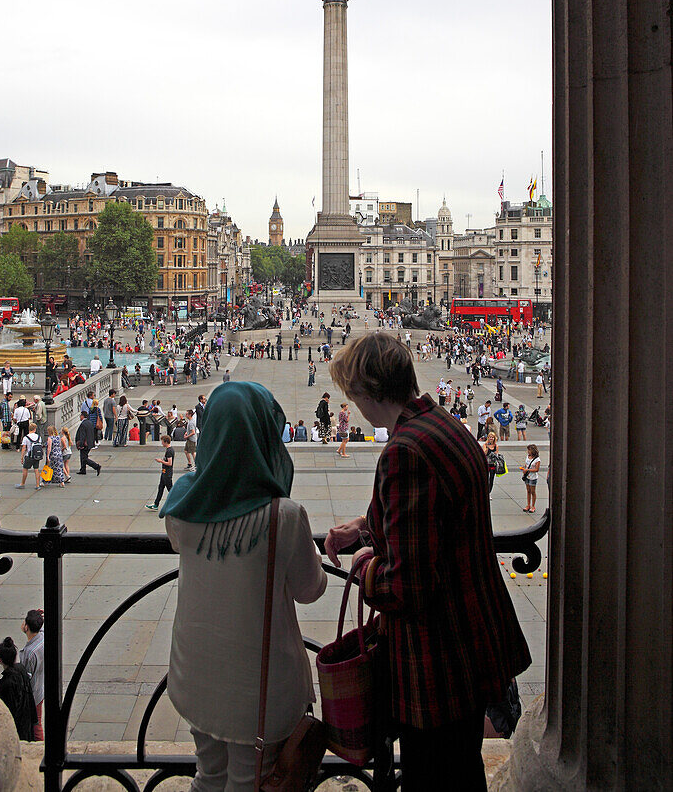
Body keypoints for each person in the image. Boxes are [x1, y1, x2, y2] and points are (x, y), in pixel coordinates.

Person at [326, 332, 531, 792]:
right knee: (461, 768)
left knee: (435, 776)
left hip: (438, 657)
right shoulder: (444, 424)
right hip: (477, 636)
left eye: (352, 392)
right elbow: (435, 511)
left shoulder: (403, 453)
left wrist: (365, 565)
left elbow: (408, 586)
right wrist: (365, 525)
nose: (352, 402)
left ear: (369, 390)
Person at [161, 381, 326, 790]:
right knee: (248, 780)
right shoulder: (284, 517)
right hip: (260, 687)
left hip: (194, 672)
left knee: (208, 773)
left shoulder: (182, 503)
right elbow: (311, 589)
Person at [0, 637, 36, 741]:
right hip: (27, 720)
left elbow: (8, 710)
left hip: (17, 728)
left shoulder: (6, 683)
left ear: (0, 660)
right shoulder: (21, 669)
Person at [19, 608, 45, 741]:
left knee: (36, 724)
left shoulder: (29, 653)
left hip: (33, 693)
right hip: (40, 688)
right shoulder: (41, 637)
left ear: (27, 627)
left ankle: (40, 748)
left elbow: (27, 677)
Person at [145, 435, 175, 510]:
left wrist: (161, 461)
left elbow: (170, 463)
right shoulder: (169, 450)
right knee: (161, 488)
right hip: (164, 472)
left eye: (162, 441)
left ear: (165, 442)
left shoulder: (169, 451)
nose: (161, 443)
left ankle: (176, 502)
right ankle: (156, 504)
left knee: (170, 489)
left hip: (167, 473)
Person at [15, 423, 45, 490]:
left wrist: (22, 457)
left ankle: (22, 484)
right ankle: (37, 485)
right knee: (36, 469)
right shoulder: (38, 437)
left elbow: (24, 448)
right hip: (36, 455)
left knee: (25, 469)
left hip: (29, 456)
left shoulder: (26, 437)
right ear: (35, 429)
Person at [521, 444, 541, 512]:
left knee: (533, 491)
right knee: (528, 491)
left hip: (533, 477)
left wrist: (528, 470)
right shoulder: (527, 457)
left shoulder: (537, 460)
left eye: (529, 450)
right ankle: (528, 505)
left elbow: (536, 469)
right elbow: (526, 465)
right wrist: (524, 469)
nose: (528, 451)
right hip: (527, 476)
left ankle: (533, 506)